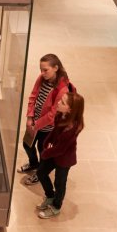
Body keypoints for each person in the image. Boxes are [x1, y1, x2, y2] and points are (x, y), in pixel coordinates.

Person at [20, 54, 72, 185]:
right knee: (27, 144)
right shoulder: (42, 78)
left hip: (48, 128)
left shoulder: (62, 89)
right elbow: (33, 96)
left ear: (56, 68)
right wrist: (30, 117)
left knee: (43, 151)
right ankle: (33, 163)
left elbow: (52, 115)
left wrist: (35, 125)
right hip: (34, 122)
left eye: (45, 70)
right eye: (41, 70)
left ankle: (40, 173)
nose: (42, 73)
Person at [35, 91, 85, 219]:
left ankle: (56, 206)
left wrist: (45, 153)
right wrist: (47, 141)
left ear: (70, 110)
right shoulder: (60, 115)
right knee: (41, 172)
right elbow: (54, 131)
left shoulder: (71, 129)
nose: (58, 103)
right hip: (55, 153)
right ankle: (50, 196)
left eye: (62, 102)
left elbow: (61, 149)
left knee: (60, 183)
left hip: (64, 159)